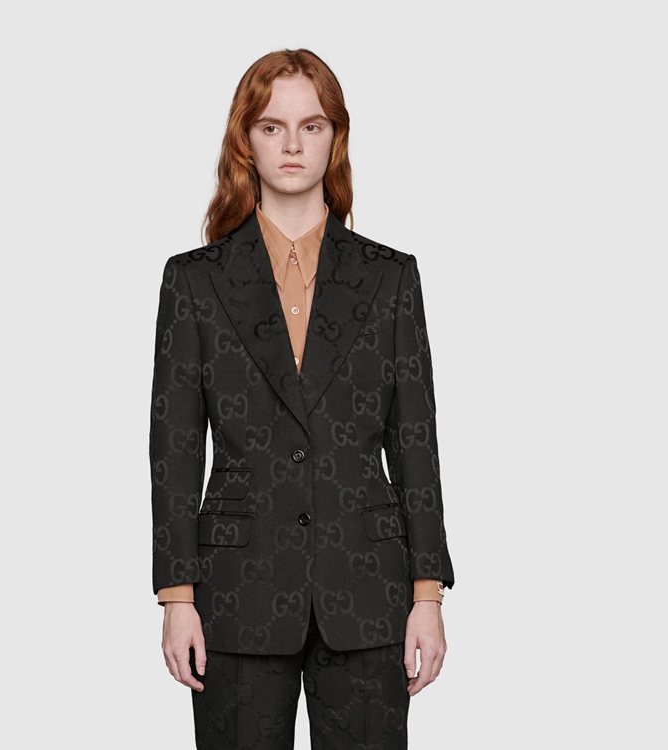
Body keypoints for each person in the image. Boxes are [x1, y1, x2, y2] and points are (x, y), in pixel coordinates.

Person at [149, 48, 455, 749]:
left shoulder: (390, 278)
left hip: (368, 589)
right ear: (246, 140)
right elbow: (174, 446)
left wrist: (427, 593)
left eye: (311, 126)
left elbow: (416, 441)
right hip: (236, 592)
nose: (292, 144)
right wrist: (177, 596)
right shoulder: (194, 281)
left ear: (335, 137)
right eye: (272, 126)